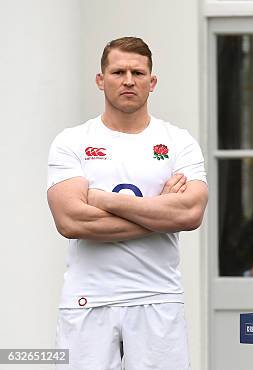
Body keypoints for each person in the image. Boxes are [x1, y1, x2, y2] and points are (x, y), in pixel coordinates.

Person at [47, 37, 208, 370]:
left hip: (158, 298)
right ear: (100, 80)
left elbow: (190, 213)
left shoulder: (179, 142)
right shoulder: (72, 141)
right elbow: (72, 222)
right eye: (118, 71)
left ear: (152, 82)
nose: (128, 80)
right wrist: (160, 212)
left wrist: (103, 199)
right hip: (88, 300)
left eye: (138, 72)